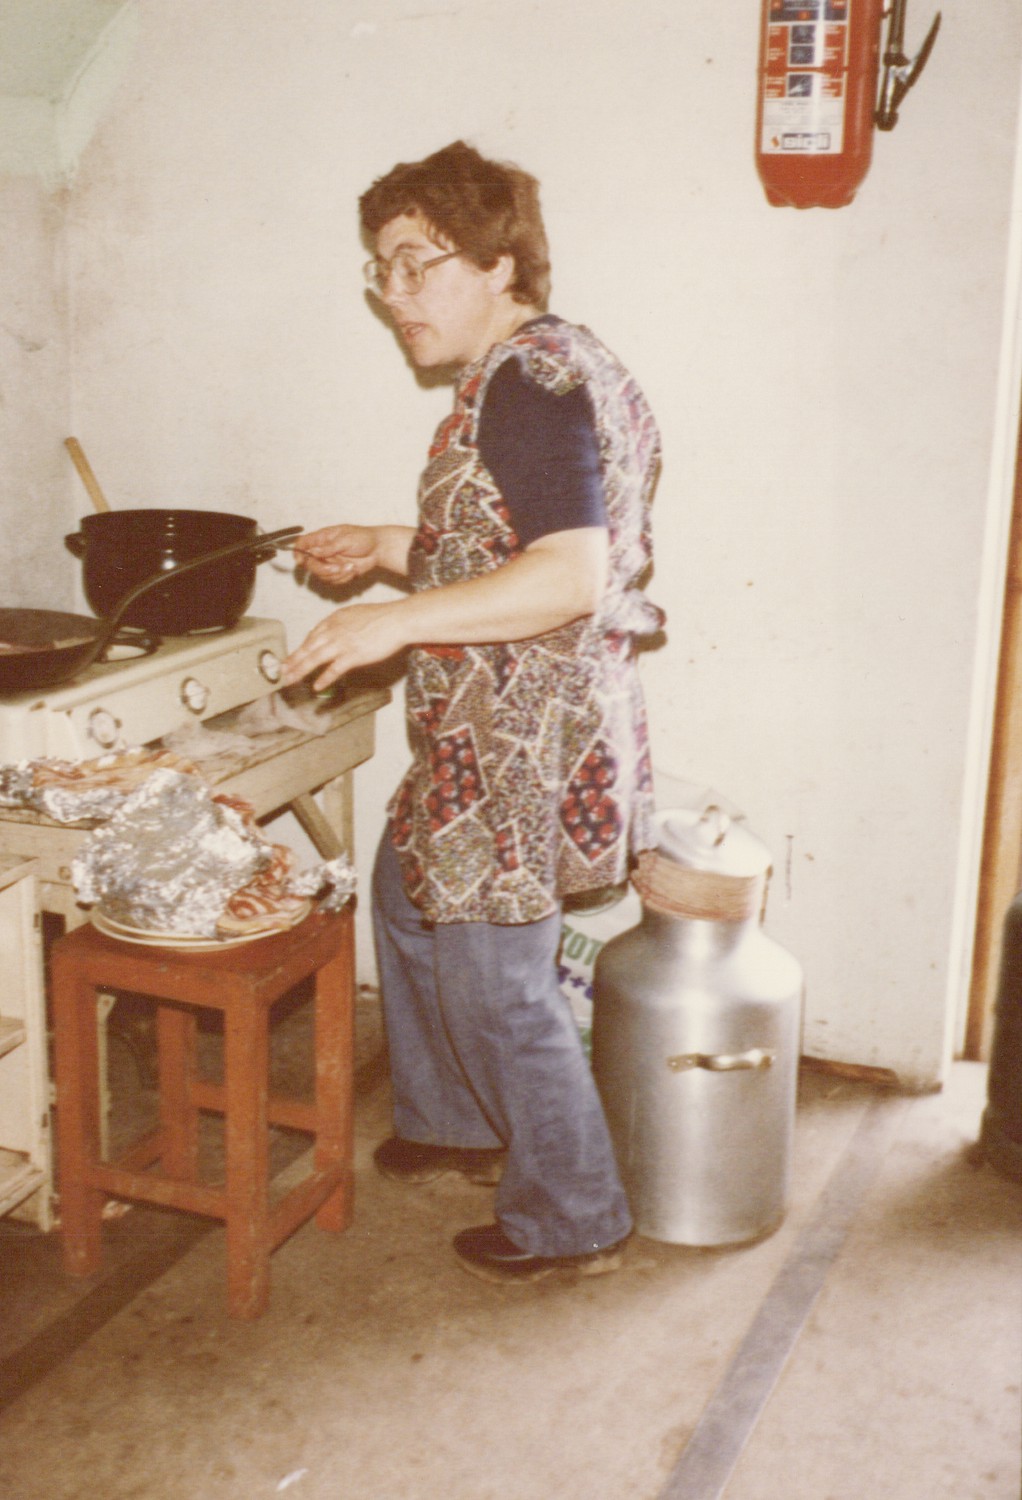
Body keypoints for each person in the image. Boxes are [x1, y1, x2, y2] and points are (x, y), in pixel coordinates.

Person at [281, 140, 664, 1285]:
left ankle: (573, 1214)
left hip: (516, 735)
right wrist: (387, 549)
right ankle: (453, 1122)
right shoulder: (551, 363)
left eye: (418, 263)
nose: (393, 294)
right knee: (406, 889)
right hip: (499, 722)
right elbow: (504, 542)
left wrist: (391, 623)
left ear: (499, 263)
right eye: (380, 270)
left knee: (497, 983)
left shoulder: (524, 385)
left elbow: (565, 575)